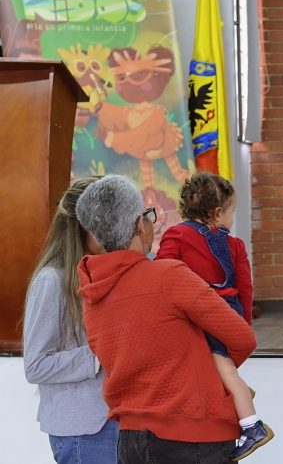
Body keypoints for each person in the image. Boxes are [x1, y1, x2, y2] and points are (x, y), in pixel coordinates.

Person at [74, 174, 258, 464]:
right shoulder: (167, 275)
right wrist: (217, 372)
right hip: (193, 433)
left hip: (131, 439)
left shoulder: (91, 292)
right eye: (148, 215)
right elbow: (242, 337)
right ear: (140, 225)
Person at [155, 172, 272, 461]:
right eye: (232, 211)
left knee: (219, 367)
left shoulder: (177, 234)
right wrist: (242, 321)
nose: (232, 217)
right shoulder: (235, 245)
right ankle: (238, 392)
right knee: (221, 366)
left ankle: (252, 425)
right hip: (228, 309)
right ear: (218, 214)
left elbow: (162, 270)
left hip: (201, 311)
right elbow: (245, 286)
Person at [23, 176, 119, 464]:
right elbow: (36, 366)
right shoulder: (51, 280)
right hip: (82, 432)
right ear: (84, 227)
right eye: (108, 222)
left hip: (119, 420)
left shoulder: (109, 273)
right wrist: (97, 357)